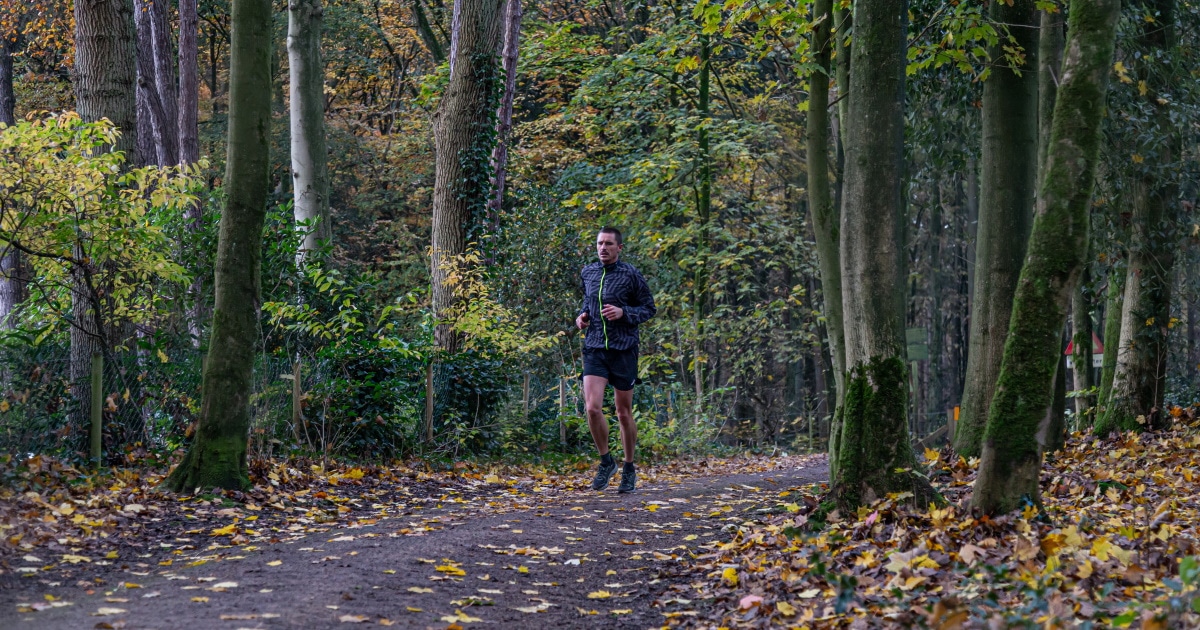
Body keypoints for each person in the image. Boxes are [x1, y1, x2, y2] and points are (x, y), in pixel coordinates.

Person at [575, 227, 656, 493]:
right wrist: (583, 317)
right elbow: (589, 303)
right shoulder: (589, 272)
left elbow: (648, 308)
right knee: (592, 408)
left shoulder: (631, 274)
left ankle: (629, 467)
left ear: (619, 247)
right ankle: (606, 461)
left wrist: (624, 312)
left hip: (623, 349)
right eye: (599, 243)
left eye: (608, 244)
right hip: (595, 347)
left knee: (623, 413)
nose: (603, 248)